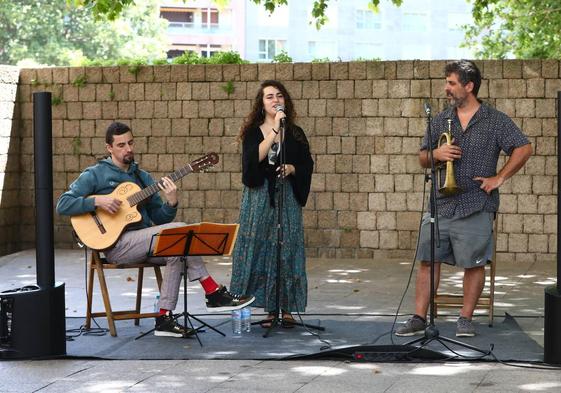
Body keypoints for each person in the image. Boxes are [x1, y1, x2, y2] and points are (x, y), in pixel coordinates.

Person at [56, 121, 254, 338]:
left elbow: (159, 219)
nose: (128, 148)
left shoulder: (143, 178)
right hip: (116, 244)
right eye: (121, 145)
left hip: (144, 242)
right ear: (109, 148)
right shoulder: (95, 174)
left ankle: (164, 318)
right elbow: (63, 204)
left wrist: (171, 202)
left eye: (130, 143)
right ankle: (213, 293)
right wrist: (98, 202)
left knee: (178, 250)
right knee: (180, 231)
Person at [395, 60, 532, 337]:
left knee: (474, 263)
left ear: (469, 87)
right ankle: (419, 317)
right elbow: (423, 157)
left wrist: (499, 178)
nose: (446, 88)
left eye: (452, 83)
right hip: (441, 203)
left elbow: (524, 147)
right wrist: (437, 155)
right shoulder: (440, 120)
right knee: (427, 260)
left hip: (476, 202)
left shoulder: (495, 120)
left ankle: (465, 319)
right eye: (447, 82)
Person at [230, 80, 314, 328]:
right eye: (269, 97)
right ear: (261, 103)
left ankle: (286, 308)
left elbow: (308, 165)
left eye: (279, 95)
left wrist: (293, 168)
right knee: (262, 248)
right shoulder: (253, 132)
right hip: (259, 198)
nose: (275, 100)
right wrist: (274, 131)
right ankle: (268, 309)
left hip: (286, 196)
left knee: (286, 249)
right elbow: (252, 159)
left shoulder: (297, 132)